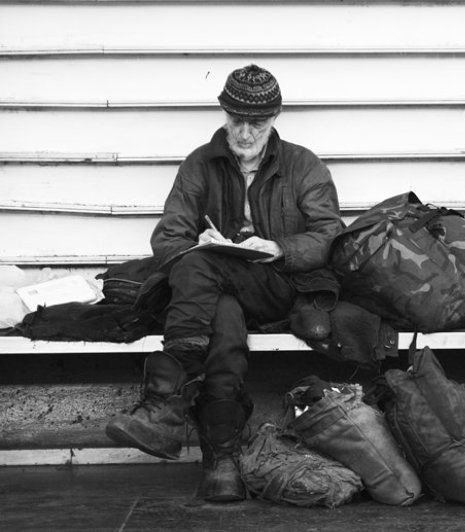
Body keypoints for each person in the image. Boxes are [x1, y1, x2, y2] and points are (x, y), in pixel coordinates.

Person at [106, 64, 344, 502]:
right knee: (222, 314)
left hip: (277, 286)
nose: (246, 133)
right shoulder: (201, 163)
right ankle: (223, 462)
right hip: (212, 297)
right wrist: (198, 244)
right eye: (237, 120)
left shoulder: (302, 164)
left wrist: (278, 247)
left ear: (275, 118)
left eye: (257, 123)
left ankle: (165, 403)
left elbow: (330, 236)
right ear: (224, 112)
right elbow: (168, 236)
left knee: (200, 269)